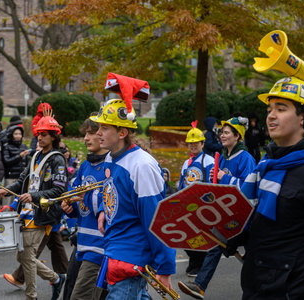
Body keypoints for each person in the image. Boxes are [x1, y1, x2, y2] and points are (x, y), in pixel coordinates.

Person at [239, 76, 304, 299]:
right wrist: (234, 234)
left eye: (281, 108)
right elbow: (264, 227)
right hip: (255, 289)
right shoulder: (266, 166)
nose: (271, 116)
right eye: (269, 109)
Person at [92, 98, 176, 299]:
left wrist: (164, 268)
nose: (97, 133)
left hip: (130, 259)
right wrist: (104, 209)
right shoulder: (111, 156)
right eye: (99, 127)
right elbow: (114, 191)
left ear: (122, 133)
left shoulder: (142, 166)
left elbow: (157, 218)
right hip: (116, 251)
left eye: (104, 127)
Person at [178, 116, 256, 299]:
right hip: (228, 216)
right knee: (216, 242)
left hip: (246, 217)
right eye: (222, 132)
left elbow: (249, 188)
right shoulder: (221, 157)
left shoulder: (246, 158)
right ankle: (199, 286)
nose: (222, 135)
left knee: (253, 262)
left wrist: (224, 177)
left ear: (238, 136)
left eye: (227, 132)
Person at [0, 112, 67, 300]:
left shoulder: (57, 159)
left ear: (53, 136)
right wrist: (6, 189)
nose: (40, 136)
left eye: (44, 134)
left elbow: (59, 192)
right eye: (39, 133)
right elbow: (22, 180)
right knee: (23, 256)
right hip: (27, 212)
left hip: (43, 213)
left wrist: (33, 196)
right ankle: (55, 279)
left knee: (27, 256)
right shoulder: (35, 156)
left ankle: (31, 296)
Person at [61, 116, 108, 300]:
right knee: (69, 290)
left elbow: (108, 206)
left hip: (99, 246)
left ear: (102, 135)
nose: (86, 138)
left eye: (91, 133)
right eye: (85, 133)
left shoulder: (110, 166)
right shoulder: (87, 165)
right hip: (82, 242)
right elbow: (79, 202)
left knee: (79, 296)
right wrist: (70, 206)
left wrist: (84, 197)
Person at [177, 121, 214, 279]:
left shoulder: (209, 161)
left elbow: (212, 183)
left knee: (200, 234)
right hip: (186, 203)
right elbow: (182, 182)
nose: (192, 146)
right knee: (186, 234)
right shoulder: (187, 162)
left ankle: (198, 262)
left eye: (195, 143)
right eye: (190, 144)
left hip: (202, 203)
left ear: (202, 143)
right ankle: (195, 259)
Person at [2, 125, 30, 204]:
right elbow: (6, 161)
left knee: (19, 201)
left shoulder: (24, 146)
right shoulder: (7, 147)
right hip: (11, 178)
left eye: (20, 134)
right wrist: (20, 156)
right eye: (16, 134)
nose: (18, 136)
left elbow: (28, 163)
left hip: (21, 179)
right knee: (7, 201)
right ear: (11, 135)